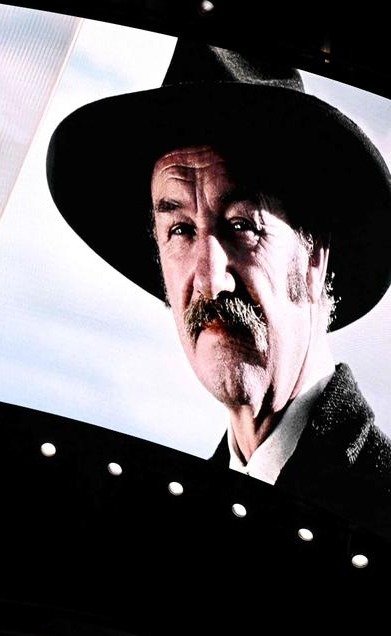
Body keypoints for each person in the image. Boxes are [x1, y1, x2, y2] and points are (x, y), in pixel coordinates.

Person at [47, 39, 391, 531]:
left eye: (241, 225)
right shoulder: (169, 534)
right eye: (180, 230)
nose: (209, 279)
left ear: (315, 252)